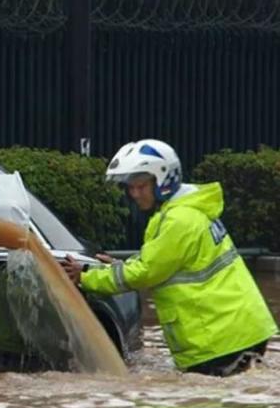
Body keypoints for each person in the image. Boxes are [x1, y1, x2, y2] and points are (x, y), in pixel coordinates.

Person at [61, 139, 277, 376]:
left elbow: (147, 273)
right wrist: (121, 267)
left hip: (222, 339)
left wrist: (86, 277)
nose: (134, 193)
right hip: (235, 331)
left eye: (141, 186)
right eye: (130, 187)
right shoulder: (185, 211)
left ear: (163, 181)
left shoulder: (178, 220)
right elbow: (161, 262)